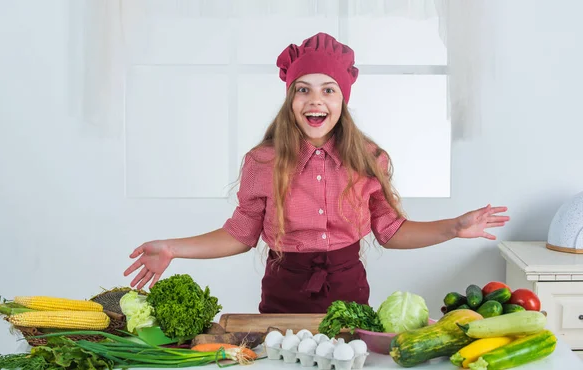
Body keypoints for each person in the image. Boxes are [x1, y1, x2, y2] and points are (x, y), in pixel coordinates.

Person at [124, 32, 509, 314]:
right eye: (303, 90)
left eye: (328, 90)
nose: (315, 100)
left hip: (349, 294)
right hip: (282, 295)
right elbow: (240, 235)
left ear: (343, 100)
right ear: (290, 99)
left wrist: (453, 227)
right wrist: (175, 247)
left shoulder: (371, 160)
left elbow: (391, 232)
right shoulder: (262, 161)